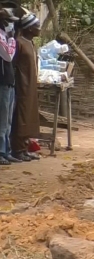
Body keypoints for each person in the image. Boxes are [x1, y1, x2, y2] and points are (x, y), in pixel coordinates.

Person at [11, 12, 41, 161]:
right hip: (22, 84)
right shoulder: (19, 43)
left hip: (30, 85)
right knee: (20, 116)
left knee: (28, 115)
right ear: (29, 29)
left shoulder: (30, 43)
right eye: (37, 26)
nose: (39, 29)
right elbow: (14, 64)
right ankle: (17, 149)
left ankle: (24, 146)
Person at [0, 9, 18, 165]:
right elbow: (8, 55)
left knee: (8, 120)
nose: (11, 24)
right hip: (2, 82)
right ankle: (1, 152)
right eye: (8, 21)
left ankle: (7, 151)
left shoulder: (5, 36)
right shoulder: (1, 37)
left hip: (8, 81)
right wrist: (12, 39)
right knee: (2, 120)